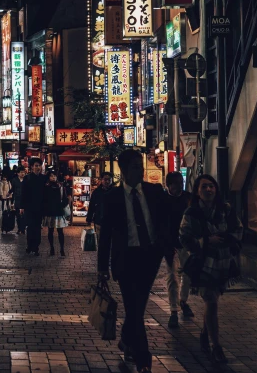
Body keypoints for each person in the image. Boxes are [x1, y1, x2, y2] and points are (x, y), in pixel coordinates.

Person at [97, 149, 169, 373]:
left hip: (149, 258)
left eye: (141, 166)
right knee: (135, 308)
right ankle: (143, 360)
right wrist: (102, 268)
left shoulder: (153, 192)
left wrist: (163, 247)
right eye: (136, 167)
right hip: (126, 260)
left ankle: (127, 339)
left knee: (137, 307)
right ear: (124, 170)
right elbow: (106, 235)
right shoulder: (113, 198)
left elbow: (165, 220)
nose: (140, 171)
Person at [179, 174, 243, 364]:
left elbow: (238, 229)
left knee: (212, 301)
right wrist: (206, 241)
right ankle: (216, 346)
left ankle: (205, 333)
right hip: (203, 264)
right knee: (212, 301)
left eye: (211, 186)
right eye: (204, 187)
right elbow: (184, 237)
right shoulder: (191, 213)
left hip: (223, 262)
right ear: (197, 191)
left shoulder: (225, 209)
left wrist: (227, 241)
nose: (209, 190)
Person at [164, 171, 195, 328]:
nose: (179, 187)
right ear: (169, 185)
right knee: (172, 277)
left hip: (187, 243)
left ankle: (183, 301)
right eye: (175, 184)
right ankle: (173, 310)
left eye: (181, 183)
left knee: (188, 274)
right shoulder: (163, 200)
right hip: (170, 244)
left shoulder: (188, 198)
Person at [19, 158, 46, 256]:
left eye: (39, 165)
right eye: (36, 165)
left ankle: (36, 247)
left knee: (37, 228)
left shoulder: (43, 178)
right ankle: (29, 246)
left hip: (39, 207)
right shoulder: (27, 178)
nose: (37, 167)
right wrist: (22, 207)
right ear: (31, 167)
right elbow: (23, 193)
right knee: (30, 227)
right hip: (29, 207)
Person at [42, 171, 69, 257]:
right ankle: (52, 248)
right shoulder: (46, 186)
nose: (53, 177)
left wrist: (62, 205)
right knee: (50, 231)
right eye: (51, 176)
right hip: (50, 212)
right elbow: (44, 199)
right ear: (49, 177)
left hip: (58, 211)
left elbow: (65, 198)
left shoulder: (60, 186)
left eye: (54, 176)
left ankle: (62, 249)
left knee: (60, 231)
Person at [86, 172, 114, 242]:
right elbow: (92, 205)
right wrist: (89, 218)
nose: (107, 181)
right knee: (100, 241)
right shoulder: (97, 192)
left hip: (112, 221)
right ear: (101, 180)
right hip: (99, 220)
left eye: (109, 179)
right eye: (105, 179)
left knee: (111, 241)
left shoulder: (115, 191)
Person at [11, 167, 27, 234]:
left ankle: (23, 229)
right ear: (18, 173)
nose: (22, 173)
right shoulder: (14, 180)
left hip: (25, 200)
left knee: (24, 215)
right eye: (21, 172)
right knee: (17, 215)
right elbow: (13, 190)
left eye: (23, 172)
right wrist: (11, 202)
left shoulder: (27, 180)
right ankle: (19, 228)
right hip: (17, 200)